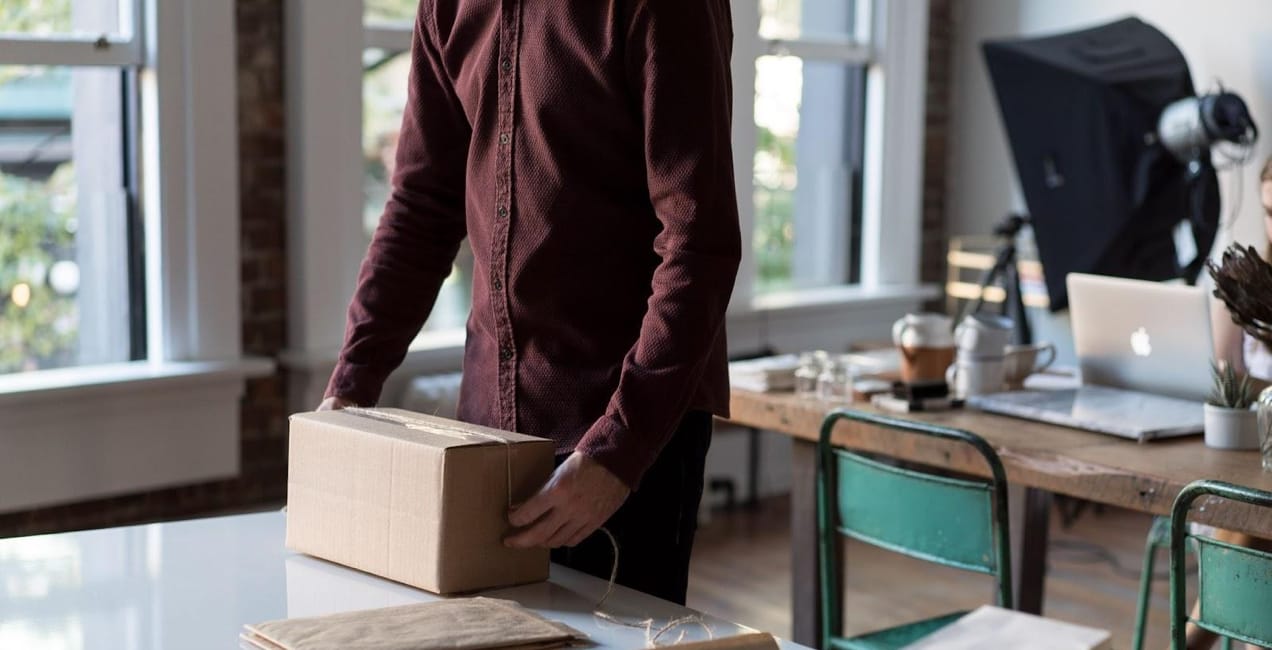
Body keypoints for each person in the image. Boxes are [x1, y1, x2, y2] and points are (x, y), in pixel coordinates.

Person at [318, 0, 740, 606]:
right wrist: (349, 392)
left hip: (624, 433)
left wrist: (617, 452)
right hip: (485, 437)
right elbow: (420, 210)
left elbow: (699, 244)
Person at [1185, 156, 1272, 650]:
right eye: (1269, 211)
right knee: (1245, 512)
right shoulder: (1245, 288)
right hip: (1243, 467)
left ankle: (1197, 634)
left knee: (1253, 519)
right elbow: (1228, 393)